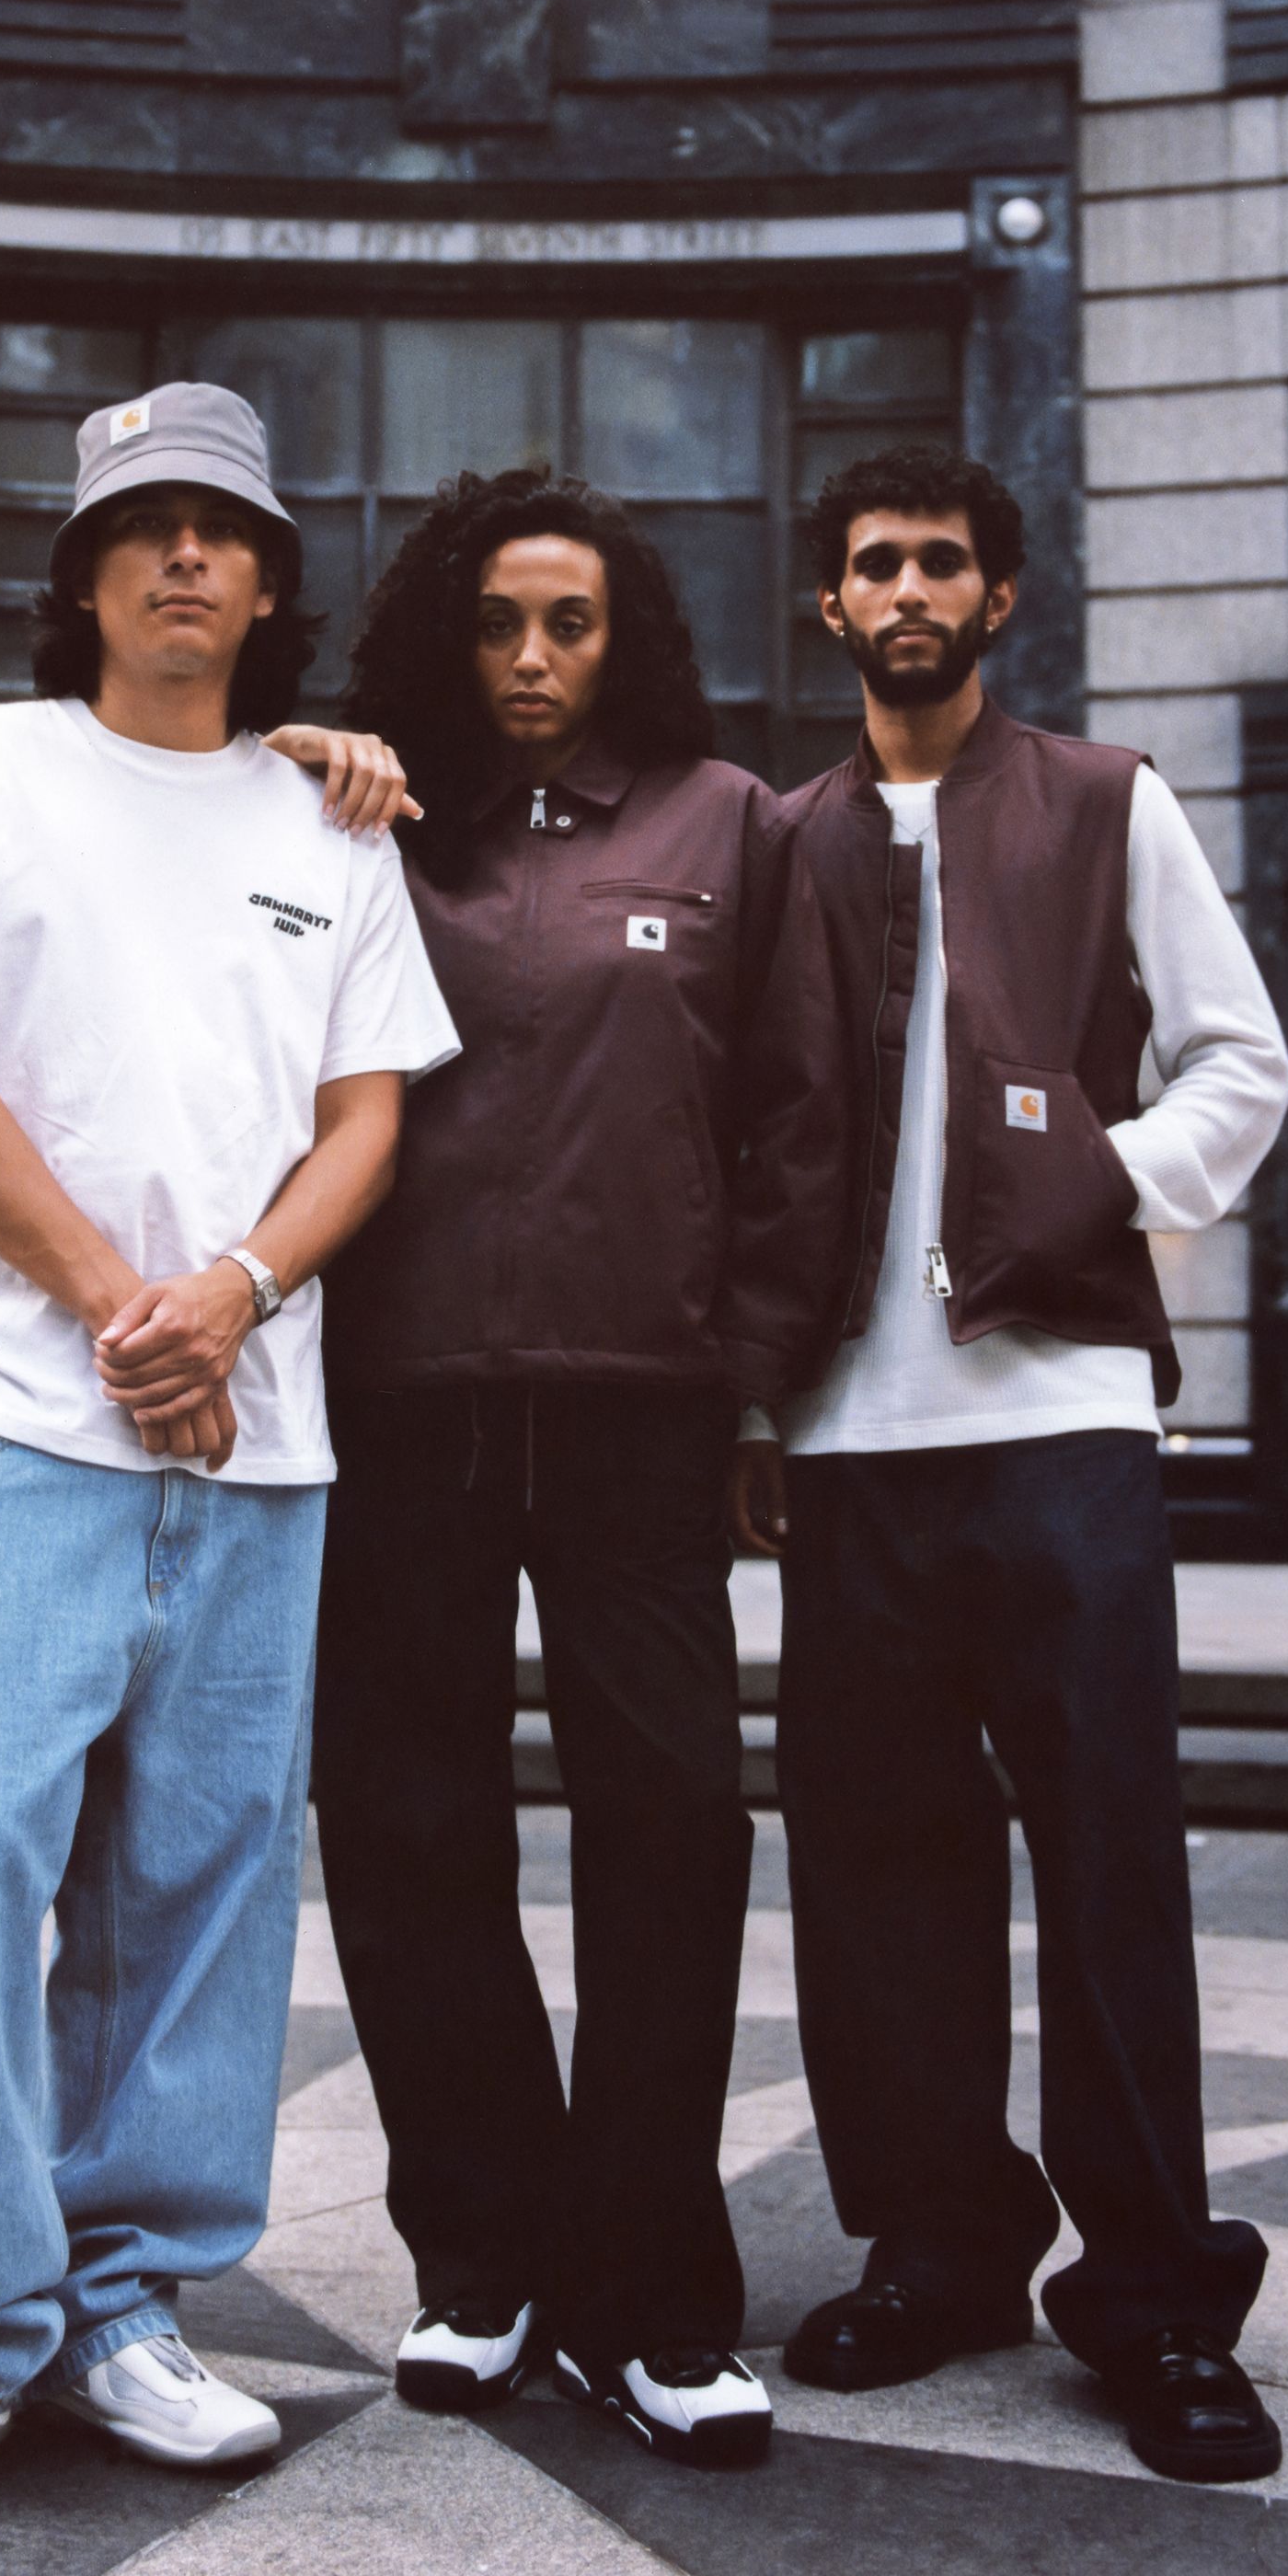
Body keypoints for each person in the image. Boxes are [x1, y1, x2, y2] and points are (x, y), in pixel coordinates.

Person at [0, 382, 458, 2517]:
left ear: (270, 583)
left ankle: (123, 2303)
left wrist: (235, 1298)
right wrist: (117, 1306)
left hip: (259, 1450)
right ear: (80, 569)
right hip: (18, 1420)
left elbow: (371, 1117)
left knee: (202, 1886)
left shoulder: (328, 827)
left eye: (223, 528)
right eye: (141, 524)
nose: (184, 556)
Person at [731, 442, 1288, 2487]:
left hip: (1059, 1420)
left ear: (999, 598)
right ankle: (942, 2244)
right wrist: (753, 1404)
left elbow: (1243, 1056)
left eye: (941, 563)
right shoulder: (778, 839)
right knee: (881, 1870)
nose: (905, 590)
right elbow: (744, 1135)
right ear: (830, 606)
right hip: (850, 1441)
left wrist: (1100, 1194)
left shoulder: (1105, 800)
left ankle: (1155, 2296)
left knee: (1112, 1863)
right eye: (872, 561)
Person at [295, 466, 840, 2470]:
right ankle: (482, 2254)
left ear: (631, 638)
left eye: (574, 623)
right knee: (412, 1823)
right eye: (501, 623)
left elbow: (797, 1121)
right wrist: (304, 741)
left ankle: (654, 2292)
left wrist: (760, 1379)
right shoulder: (359, 816)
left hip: (641, 1409)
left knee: (676, 1825)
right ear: (449, 630)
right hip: (401, 1402)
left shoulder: (731, 824)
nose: (533, 660)